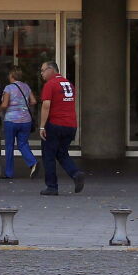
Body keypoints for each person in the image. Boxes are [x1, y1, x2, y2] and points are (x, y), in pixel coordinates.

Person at [37, 60, 86, 196]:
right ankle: (76, 173)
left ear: (51, 70)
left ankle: (52, 186)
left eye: (43, 70)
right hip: (70, 125)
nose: (41, 74)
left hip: (55, 124)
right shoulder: (68, 84)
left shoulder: (50, 84)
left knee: (48, 155)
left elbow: (46, 105)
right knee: (62, 153)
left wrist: (42, 126)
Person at [0, 65, 39, 179]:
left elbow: (5, 104)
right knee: (23, 144)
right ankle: (33, 162)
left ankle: (9, 173)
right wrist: (23, 106)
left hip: (11, 120)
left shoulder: (8, 88)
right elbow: (34, 101)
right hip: (26, 121)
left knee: (9, 146)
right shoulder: (26, 86)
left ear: (11, 75)